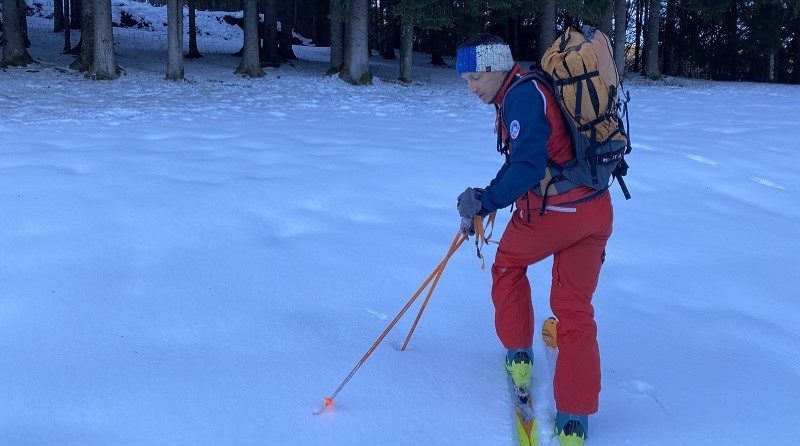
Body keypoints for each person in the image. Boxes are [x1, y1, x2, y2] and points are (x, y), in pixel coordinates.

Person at [455, 33, 613, 445]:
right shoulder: (536, 88)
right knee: (575, 309)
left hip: (555, 213)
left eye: (474, 77)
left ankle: (519, 356)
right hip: (596, 209)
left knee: (507, 265)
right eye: (466, 80)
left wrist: (485, 201)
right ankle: (574, 420)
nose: (471, 88)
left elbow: (526, 167)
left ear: (495, 69)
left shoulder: (522, 98)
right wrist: (489, 199)